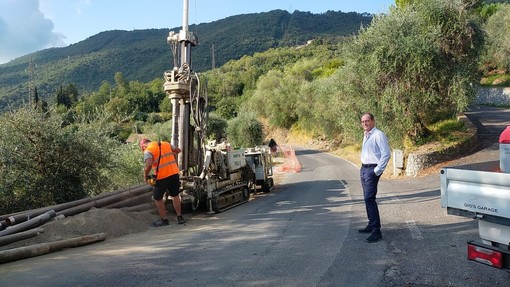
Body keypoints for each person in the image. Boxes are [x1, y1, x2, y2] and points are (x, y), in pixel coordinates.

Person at [358, 113, 390, 243]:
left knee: (369, 198)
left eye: (367, 121)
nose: (365, 123)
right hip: (364, 168)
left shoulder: (378, 135)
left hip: (372, 169)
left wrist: (377, 171)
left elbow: (386, 154)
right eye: (363, 121)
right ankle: (371, 224)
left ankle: (377, 231)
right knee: (367, 198)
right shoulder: (366, 135)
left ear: (373, 121)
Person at [140, 138, 186, 226]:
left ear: (143, 146)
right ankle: (180, 217)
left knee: (157, 198)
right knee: (175, 195)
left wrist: (145, 175)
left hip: (162, 177)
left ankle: (164, 220)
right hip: (174, 173)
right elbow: (178, 150)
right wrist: (172, 155)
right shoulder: (165, 144)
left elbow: (149, 164)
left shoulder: (148, 151)